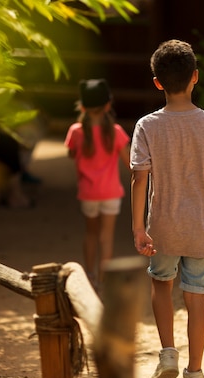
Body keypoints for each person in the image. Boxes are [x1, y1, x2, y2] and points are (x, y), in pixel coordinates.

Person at [130, 39, 204, 378]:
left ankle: (168, 355)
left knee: (161, 284)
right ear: (195, 77)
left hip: (162, 227)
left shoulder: (147, 126)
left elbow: (139, 176)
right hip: (202, 225)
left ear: (157, 82)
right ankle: (195, 376)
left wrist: (138, 227)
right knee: (197, 298)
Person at [64, 78, 131, 292]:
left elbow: (71, 153)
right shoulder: (116, 131)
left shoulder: (76, 131)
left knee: (90, 234)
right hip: (111, 193)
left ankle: (90, 276)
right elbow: (130, 164)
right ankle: (104, 280)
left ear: (82, 107)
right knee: (107, 237)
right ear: (108, 105)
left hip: (88, 193)